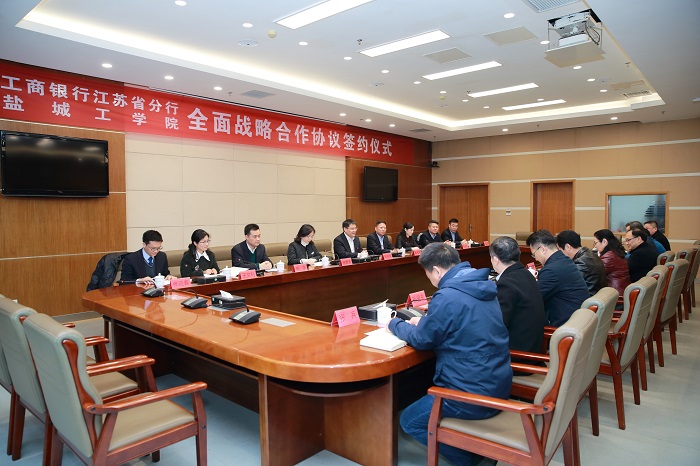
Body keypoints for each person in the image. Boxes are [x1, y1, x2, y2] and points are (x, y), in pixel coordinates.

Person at [387, 243, 511, 466]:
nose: (429, 279)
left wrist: (395, 324)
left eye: (427, 274)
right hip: (498, 382)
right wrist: (424, 322)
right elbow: (462, 323)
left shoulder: (447, 295)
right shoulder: (482, 284)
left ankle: (470, 459)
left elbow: (422, 340)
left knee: (409, 421)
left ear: (436, 270)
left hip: (469, 394)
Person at [489, 236, 546, 361]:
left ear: (495, 259)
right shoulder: (526, 274)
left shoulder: (506, 284)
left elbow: (497, 325)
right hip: (532, 347)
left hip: (517, 355)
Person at [527, 230, 590, 327]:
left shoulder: (551, 270)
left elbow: (533, 299)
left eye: (534, 254)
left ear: (542, 249)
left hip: (565, 325)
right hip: (578, 319)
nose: (535, 258)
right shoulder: (564, 260)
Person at [556, 230, 607, 295]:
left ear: (567, 247)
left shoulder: (582, 261)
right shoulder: (589, 254)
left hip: (587, 298)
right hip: (595, 295)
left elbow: (568, 284)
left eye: (559, 250)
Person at [593, 229, 631, 297]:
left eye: (595, 243)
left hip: (615, 296)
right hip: (620, 291)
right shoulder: (615, 252)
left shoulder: (609, 256)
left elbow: (596, 274)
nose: (595, 246)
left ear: (604, 242)